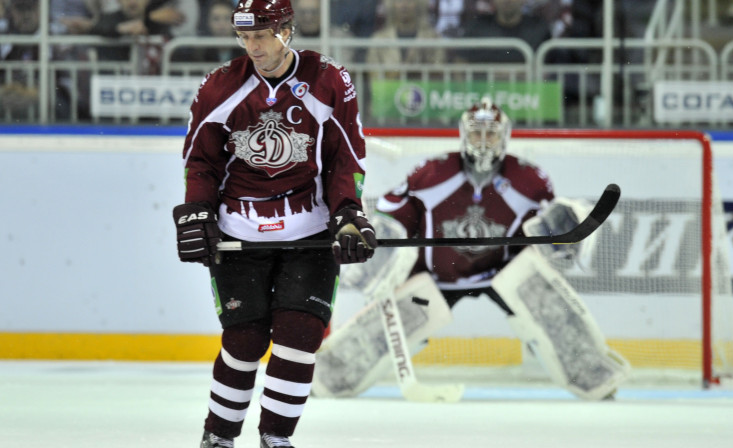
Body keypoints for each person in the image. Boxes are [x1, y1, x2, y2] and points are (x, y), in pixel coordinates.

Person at [311, 97, 630, 401]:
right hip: (435, 276)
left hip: (501, 273)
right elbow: (391, 215)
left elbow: (546, 239)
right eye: (476, 132)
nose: (483, 140)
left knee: (547, 306)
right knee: (383, 328)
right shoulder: (433, 173)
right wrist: (379, 253)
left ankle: (593, 373)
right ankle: (328, 376)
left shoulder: (531, 181)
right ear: (463, 134)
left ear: (504, 137)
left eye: (491, 133)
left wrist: (560, 230)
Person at [171, 1, 376, 447]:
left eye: (262, 35)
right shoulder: (219, 87)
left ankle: (275, 439)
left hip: (310, 234)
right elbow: (200, 161)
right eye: (245, 37)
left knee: (299, 337)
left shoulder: (328, 80)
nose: (253, 46)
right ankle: (219, 438)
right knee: (243, 341)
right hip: (238, 233)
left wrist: (347, 214)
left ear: (287, 30)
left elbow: (347, 158)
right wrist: (198, 211)